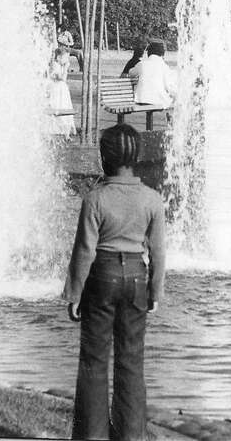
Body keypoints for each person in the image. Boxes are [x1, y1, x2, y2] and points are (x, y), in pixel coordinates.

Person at [63, 124, 165, 441]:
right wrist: (155, 291)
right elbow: (158, 250)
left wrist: (74, 292)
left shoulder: (95, 199)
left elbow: (85, 250)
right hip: (136, 277)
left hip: (101, 276)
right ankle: (131, 435)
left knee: (94, 360)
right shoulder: (152, 199)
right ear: (137, 158)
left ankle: (91, 435)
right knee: (131, 360)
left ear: (103, 159)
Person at [129, 41, 176, 108]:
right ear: (161, 54)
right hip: (157, 100)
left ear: (149, 53)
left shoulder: (142, 64)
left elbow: (131, 73)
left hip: (141, 99)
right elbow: (169, 86)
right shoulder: (164, 66)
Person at [49, 47, 77, 137]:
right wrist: (65, 68)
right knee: (58, 106)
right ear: (58, 57)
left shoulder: (60, 65)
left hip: (62, 91)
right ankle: (56, 130)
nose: (67, 60)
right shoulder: (55, 65)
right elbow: (62, 78)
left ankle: (66, 132)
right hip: (57, 91)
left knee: (65, 106)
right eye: (65, 58)